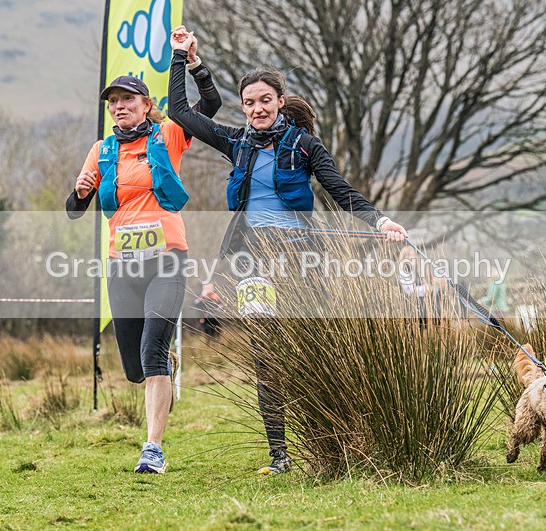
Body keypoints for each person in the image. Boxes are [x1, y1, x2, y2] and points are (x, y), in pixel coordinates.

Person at [168, 26, 408, 475]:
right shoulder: (234, 142)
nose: (256, 109)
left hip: (302, 257)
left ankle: (335, 441)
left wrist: (380, 220)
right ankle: (279, 456)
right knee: (267, 355)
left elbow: (338, 189)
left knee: (317, 346)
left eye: (264, 100)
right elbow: (181, 112)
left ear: (280, 101)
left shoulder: (304, 145)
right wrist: (186, 58)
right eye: (249, 102)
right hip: (252, 261)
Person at [65, 32, 221, 474]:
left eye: (128, 99)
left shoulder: (169, 134)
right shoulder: (102, 150)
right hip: (122, 266)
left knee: (154, 347)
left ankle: (152, 449)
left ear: (146, 103)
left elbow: (208, 108)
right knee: (135, 366)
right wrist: (79, 193)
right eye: (113, 101)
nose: (119, 106)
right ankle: (159, 371)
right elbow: (74, 211)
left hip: (167, 260)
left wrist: (194, 65)